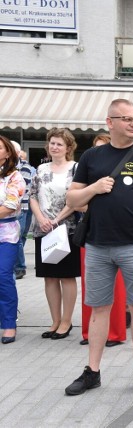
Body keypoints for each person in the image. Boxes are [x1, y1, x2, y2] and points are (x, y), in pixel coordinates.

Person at [64, 99, 133, 396]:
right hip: (97, 246)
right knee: (99, 309)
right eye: (127, 119)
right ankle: (92, 371)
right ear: (109, 122)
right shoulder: (91, 157)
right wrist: (94, 188)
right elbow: (72, 200)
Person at [30, 128, 81, 340]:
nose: (54, 147)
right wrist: (41, 219)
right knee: (49, 277)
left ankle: (67, 321)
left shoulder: (76, 169)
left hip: (66, 229)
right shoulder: (40, 169)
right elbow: (32, 196)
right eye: (52, 143)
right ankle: (55, 321)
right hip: (44, 230)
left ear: (68, 147)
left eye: (59, 144)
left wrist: (57, 219)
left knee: (66, 277)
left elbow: (76, 200)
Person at [80, 134, 127, 347]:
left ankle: (115, 333)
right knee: (93, 293)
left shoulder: (122, 169)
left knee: (117, 290)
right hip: (93, 234)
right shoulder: (87, 168)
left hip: (122, 237)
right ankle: (90, 333)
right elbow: (76, 202)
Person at [0, 136, 26, 344]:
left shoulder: (15, 177)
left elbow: (10, 206)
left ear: (7, 153)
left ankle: (9, 324)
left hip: (6, 235)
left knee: (3, 276)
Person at [11, 141, 35, 280]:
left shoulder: (24, 168)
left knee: (18, 238)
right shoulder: (7, 167)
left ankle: (20, 267)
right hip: (11, 208)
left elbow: (22, 189)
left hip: (21, 208)